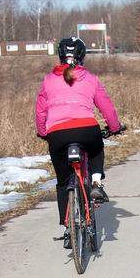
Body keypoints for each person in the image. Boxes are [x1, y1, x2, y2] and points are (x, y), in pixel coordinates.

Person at [36, 37, 121, 248]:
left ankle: (67, 228)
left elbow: (40, 110)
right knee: (96, 149)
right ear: (82, 56)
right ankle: (96, 183)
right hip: (86, 130)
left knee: (63, 182)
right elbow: (106, 106)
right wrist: (114, 127)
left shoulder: (48, 80)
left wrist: (43, 131)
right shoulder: (90, 78)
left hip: (57, 134)